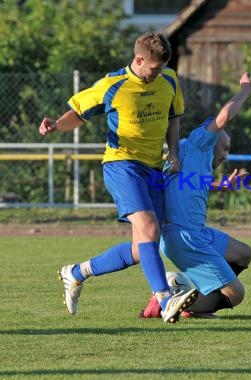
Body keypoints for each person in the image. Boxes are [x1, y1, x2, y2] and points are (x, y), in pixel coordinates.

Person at [38, 32, 198, 323]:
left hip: (153, 169)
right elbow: (78, 112)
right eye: (153, 68)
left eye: (162, 68)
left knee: (142, 248)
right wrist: (56, 125)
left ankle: (76, 273)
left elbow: (174, 117)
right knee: (148, 227)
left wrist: (174, 151)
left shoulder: (170, 80)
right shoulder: (112, 85)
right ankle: (164, 299)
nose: (158, 73)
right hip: (122, 164)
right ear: (138, 60)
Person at [139, 72, 251, 319]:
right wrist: (245, 90)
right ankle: (167, 306)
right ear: (211, 139)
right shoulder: (199, 142)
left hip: (196, 233)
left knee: (243, 253)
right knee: (236, 294)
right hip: (184, 237)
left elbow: (185, 185)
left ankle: (195, 298)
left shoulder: (189, 158)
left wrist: (219, 186)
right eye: (225, 148)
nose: (225, 155)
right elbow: (223, 117)